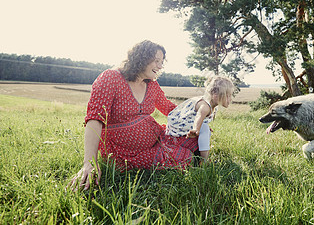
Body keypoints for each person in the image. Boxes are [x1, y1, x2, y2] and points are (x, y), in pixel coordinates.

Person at [69, 40, 198, 191]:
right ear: (141, 57)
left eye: (162, 62)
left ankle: (169, 147)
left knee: (194, 139)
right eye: (156, 61)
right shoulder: (111, 78)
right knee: (186, 156)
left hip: (157, 138)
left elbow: (170, 109)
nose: (160, 66)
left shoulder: (151, 84)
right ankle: (163, 155)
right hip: (125, 153)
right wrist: (89, 162)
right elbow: (95, 119)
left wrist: (196, 121)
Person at [165, 76, 234, 163]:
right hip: (178, 125)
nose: (230, 99)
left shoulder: (212, 105)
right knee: (204, 129)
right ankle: (204, 161)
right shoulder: (205, 106)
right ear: (215, 95)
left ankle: (200, 154)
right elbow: (199, 116)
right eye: (228, 96)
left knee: (206, 129)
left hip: (183, 123)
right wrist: (196, 129)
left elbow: (197, 118)